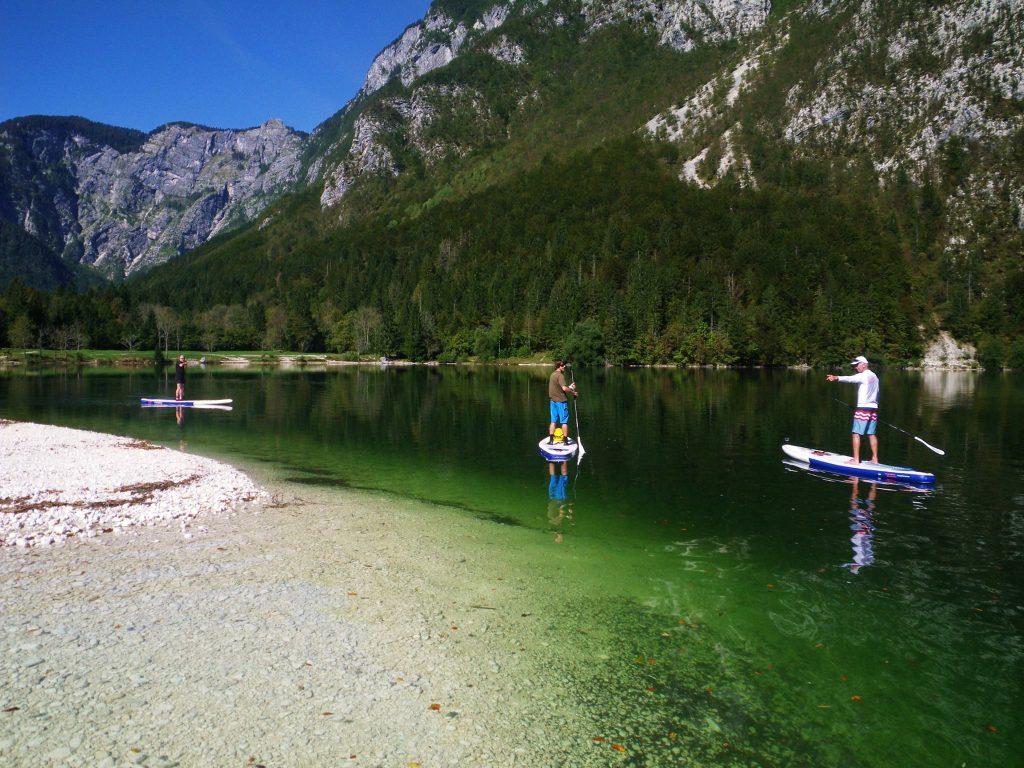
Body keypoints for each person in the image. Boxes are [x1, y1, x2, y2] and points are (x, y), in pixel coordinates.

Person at [827, 355, 879, 464]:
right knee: (871, 434)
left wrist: (836, 377)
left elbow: (850, 379)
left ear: (864, 364)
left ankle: (856, 460)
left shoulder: (863, 376)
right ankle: (875, 459)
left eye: (857, 365)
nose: (855, 367)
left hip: (863, 408)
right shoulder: (875, 376)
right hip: (873, 408)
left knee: (856, 433)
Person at [547, 360, 577, 444]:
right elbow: (564, 388)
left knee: (553, 421)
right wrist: (573, 391)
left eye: (564, 365)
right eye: (562, 365)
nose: (564, 366)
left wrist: (570, 387)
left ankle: (551, 440)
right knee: (564, 422)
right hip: (561, 401)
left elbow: (559, 388)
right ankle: (565, 441)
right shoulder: (560, 375)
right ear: (558, 366)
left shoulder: (552, 374)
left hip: (553, 401)